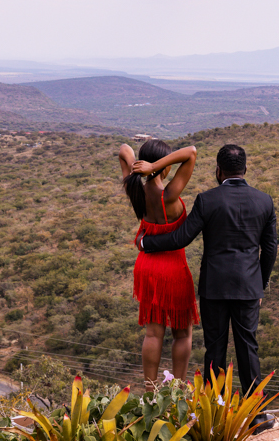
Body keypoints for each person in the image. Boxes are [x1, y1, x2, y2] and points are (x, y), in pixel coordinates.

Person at [137, 144, 277, 407]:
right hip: (248, 287)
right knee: (248, 347)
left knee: (215, 349)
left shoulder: (207, 200)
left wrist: (147, 244)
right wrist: (261, 284)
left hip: (214, 287)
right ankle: (256, 412)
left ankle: (214, 409)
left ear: (218, 171)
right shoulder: (264, 201)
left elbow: (182, 237)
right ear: (245, 170)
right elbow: (269, 250)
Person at [119, 139, 200, 385]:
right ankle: (177, 392)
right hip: (172, 268)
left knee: (153, 333)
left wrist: (140, 168)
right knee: (182, 334)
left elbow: (123, 149)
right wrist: (154, 167)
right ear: (163, 166)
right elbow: (191, 153)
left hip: (147, 266)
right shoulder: (170, 195)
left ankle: (150, 393)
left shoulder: (136, 191)